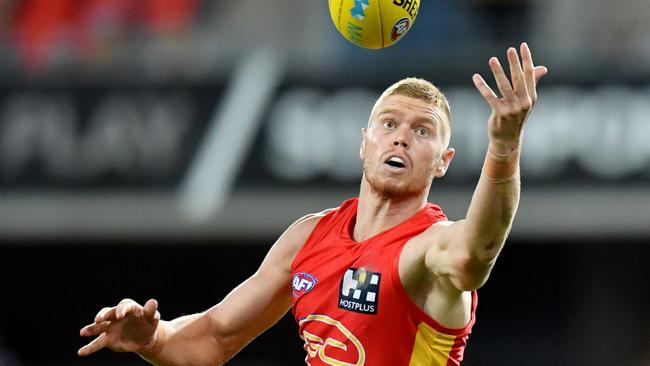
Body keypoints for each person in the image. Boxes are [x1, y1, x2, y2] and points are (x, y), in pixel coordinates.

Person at [78, 43, 547, 365]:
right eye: (388, 123)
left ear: (442, 162)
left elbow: (476, 253)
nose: (402, 135)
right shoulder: (310, 236)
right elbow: (214, 339)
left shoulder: (429, 249)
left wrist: (504, 146)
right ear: (364, 143)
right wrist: (152, 339)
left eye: (422, 130)